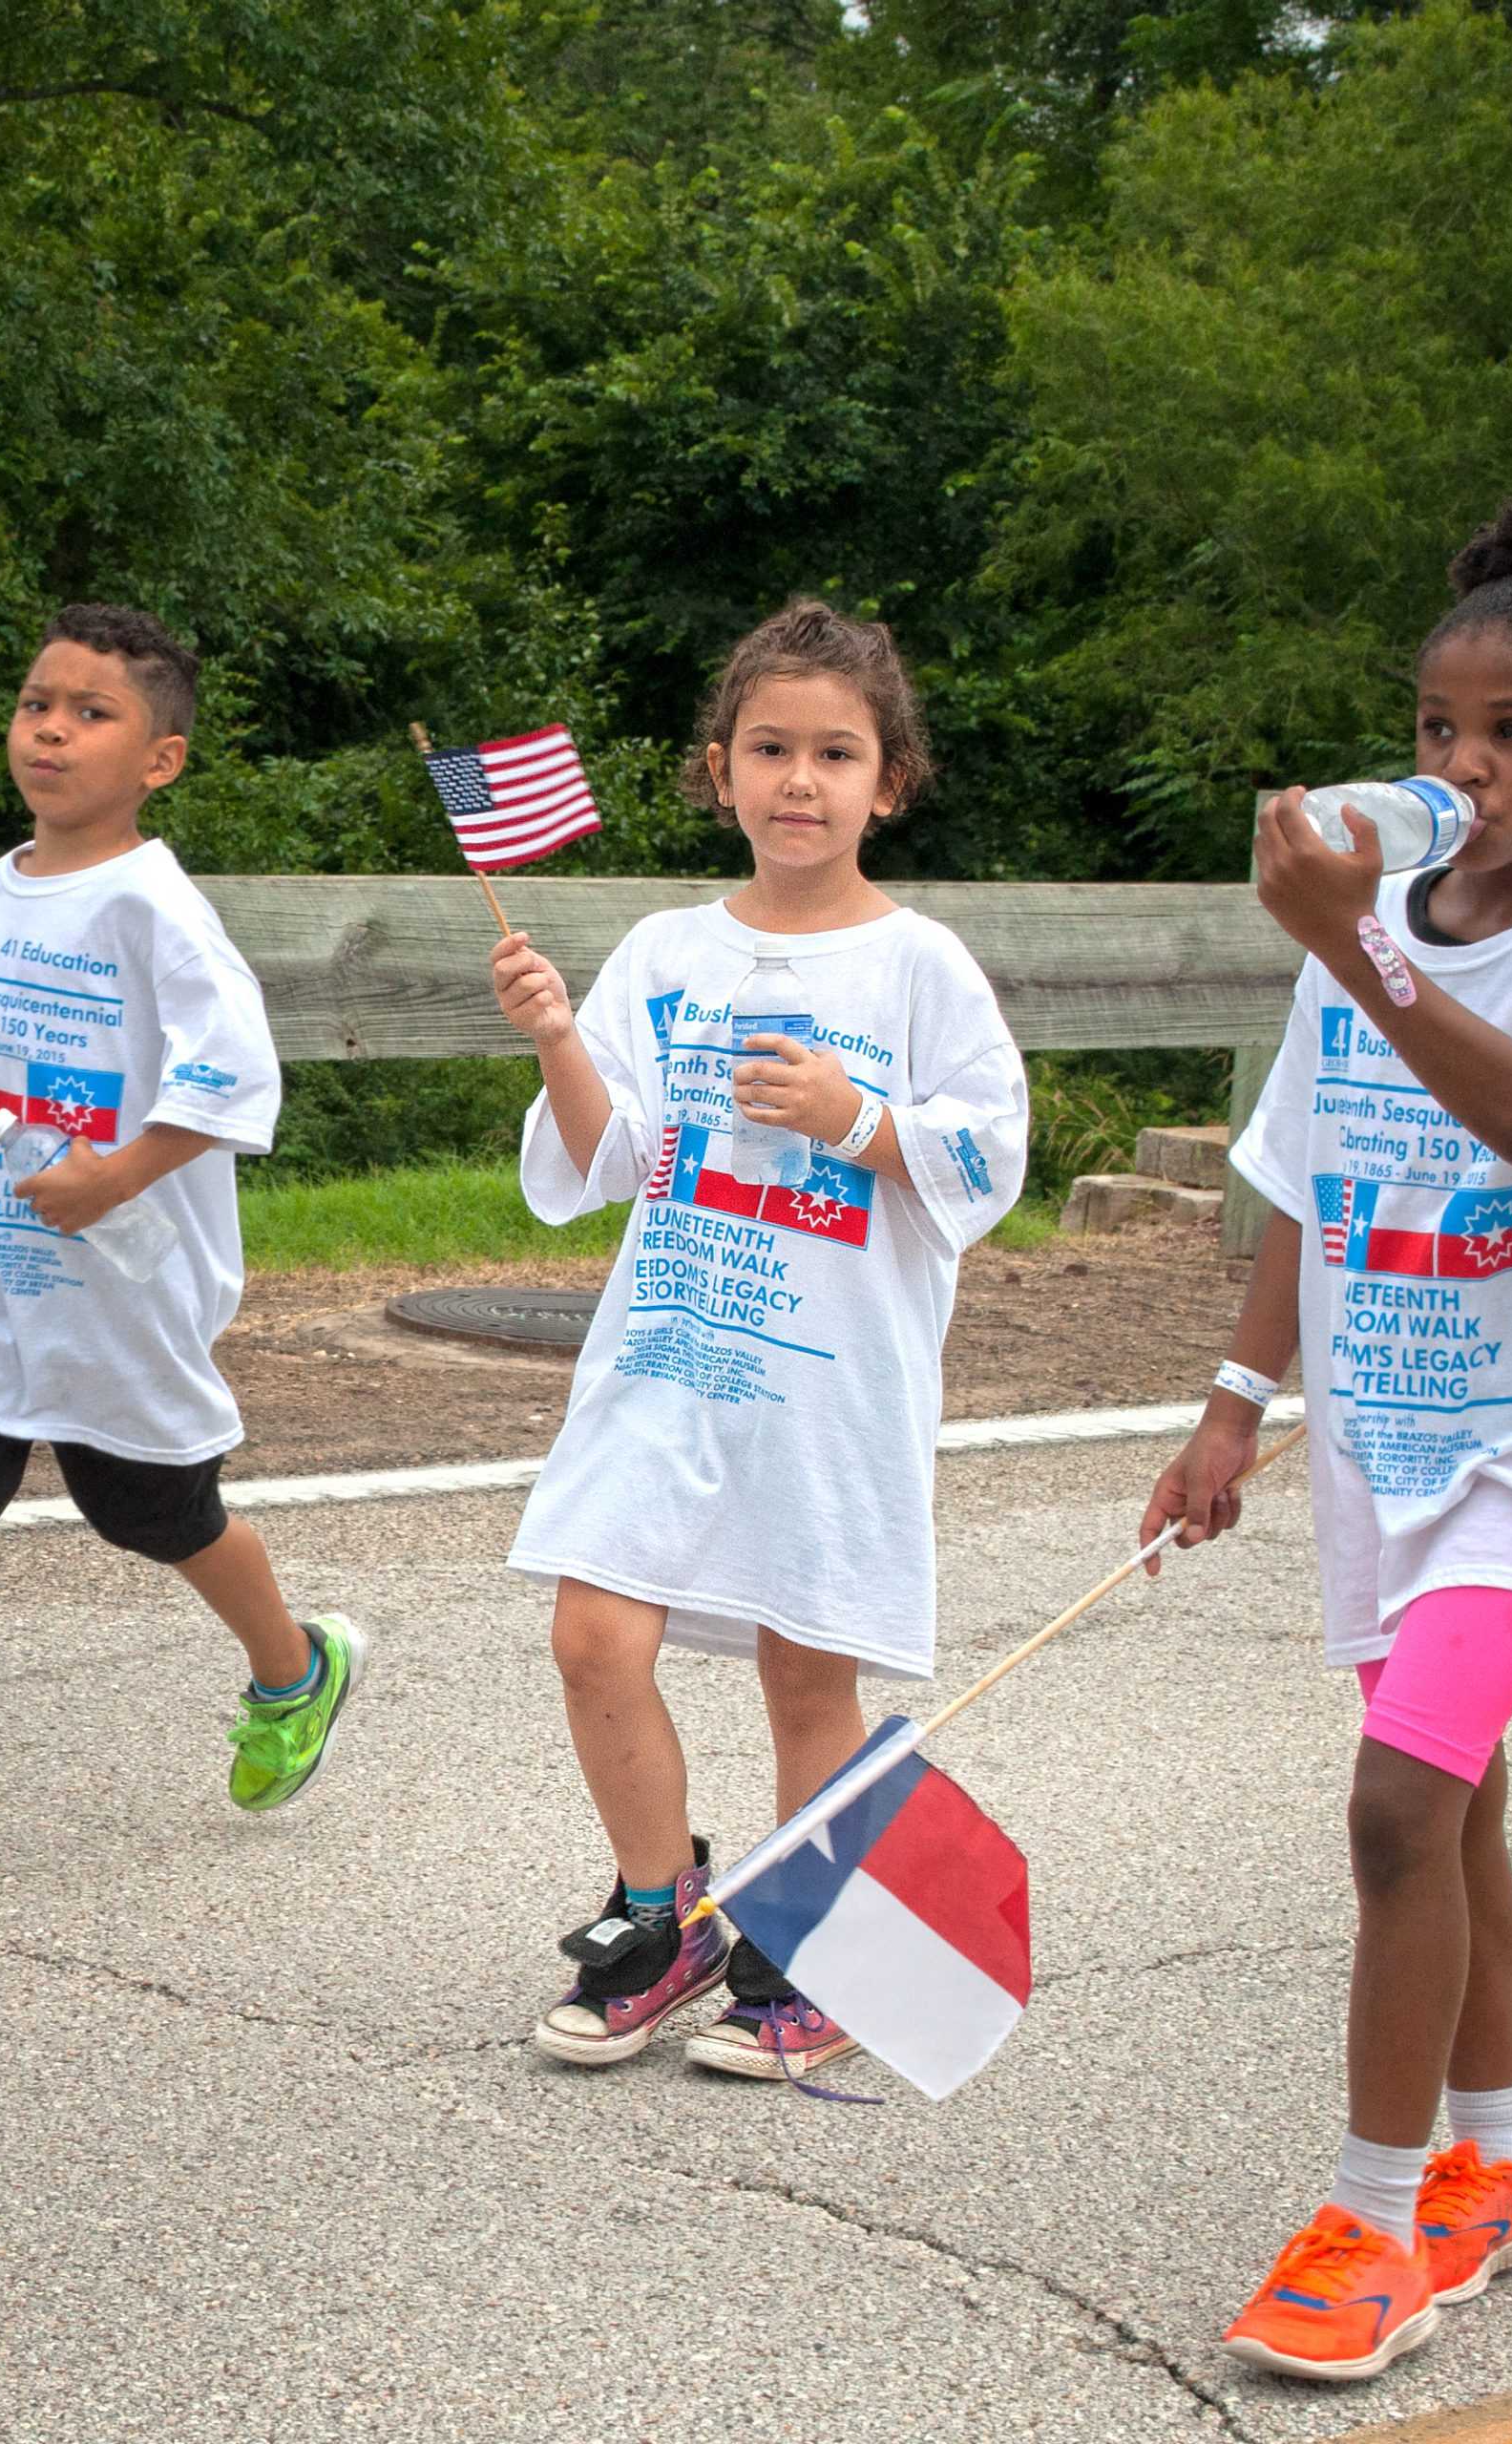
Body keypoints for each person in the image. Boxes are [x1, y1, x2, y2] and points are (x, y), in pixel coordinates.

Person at [1142, 499, 1512, 2380]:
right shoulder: (1368, 929)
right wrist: (1233, 1402)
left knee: (1395, 1802)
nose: (1461, 766)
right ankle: (1496, 2165)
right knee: (1457, 1793)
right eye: (1431, 727)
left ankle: (1369, 2219)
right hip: (1384, 1435)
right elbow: (1304, 1187)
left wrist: (1349, 946)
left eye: (1511, 730)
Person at [492, 600, 1027, 2082]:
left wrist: (856, 1120)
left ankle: (810, 1951)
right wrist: (553, 1036)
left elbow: (987, 1158)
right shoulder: (666, 951)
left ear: (888, 782)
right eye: (770, 749)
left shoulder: (919, 969)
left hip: (827, 1393)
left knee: (806, 1676)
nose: (800, 780)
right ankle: (660, 1918)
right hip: (665, 1360)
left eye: (834, 753)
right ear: (717, 769)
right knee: (592, 1632)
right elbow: (599, 1158)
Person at [0, 603, 364, 1811]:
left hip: (118, 1280)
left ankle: (295, 1667)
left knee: (157, 1512)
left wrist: (114, 1176)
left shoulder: (156, 905)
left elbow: (233, 1073)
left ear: (159, 759)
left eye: (93, 713)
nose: (53, 731)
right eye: (40, 703)